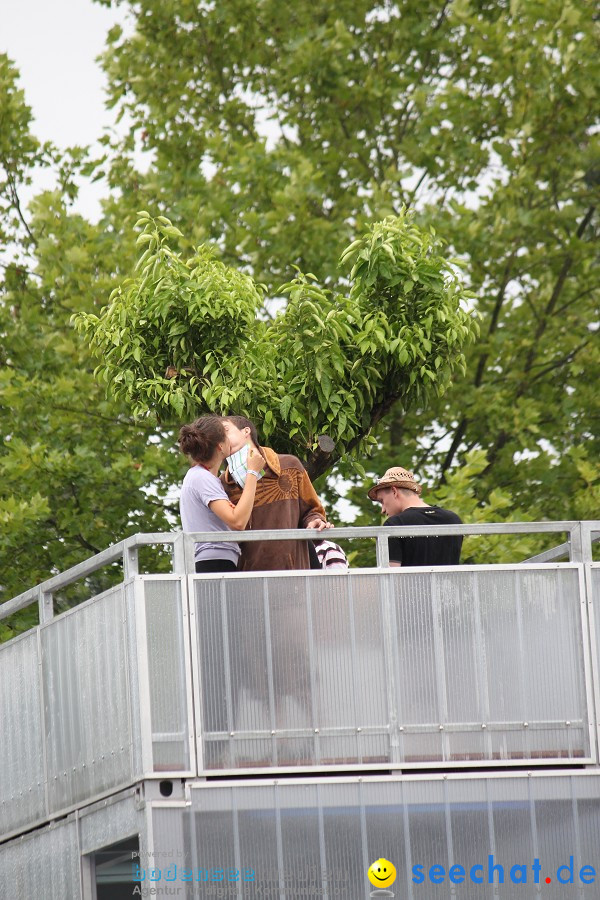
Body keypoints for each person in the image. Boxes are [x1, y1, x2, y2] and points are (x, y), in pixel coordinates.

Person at [220, 415, 331, 571]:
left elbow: (312, 510)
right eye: (216, 436)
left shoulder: (290, 465)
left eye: (225, 430)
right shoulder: (223, 485)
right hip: (249, 579)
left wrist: (316, 521)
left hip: (294, 574)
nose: (221, 438)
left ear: (246, 431)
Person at [178, 415, 265, 573]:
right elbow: (238, 522)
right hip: (215, 563)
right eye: (226, 435)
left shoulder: (203, 477)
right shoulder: (201, 478)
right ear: (220, 446)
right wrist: (252, 472)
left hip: (216, 561)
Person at [367, 466, 463, 566]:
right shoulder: (453, 519)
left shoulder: (394, 525)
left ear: (394, 492)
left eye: (382, 501)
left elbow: (391, 577)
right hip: (449, 582)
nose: (383, 510)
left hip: (411, 582)